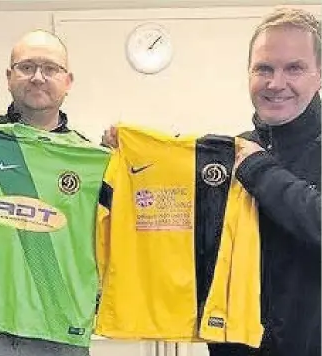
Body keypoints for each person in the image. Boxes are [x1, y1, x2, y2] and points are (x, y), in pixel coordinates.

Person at [101, 7, 321, 356]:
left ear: (319, 74)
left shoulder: (248, 160)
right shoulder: (229, 153)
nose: (275, 83)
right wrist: (133, 165)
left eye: (293, 68)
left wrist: (258, 169)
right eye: (263, 68)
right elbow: (188, 240)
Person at [0, 30, 94, 356]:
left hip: (59, 332)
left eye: (50, 68)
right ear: (9, 77)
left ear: (68, 81)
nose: (38, 77)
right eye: (26, 67)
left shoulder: (91, 158)